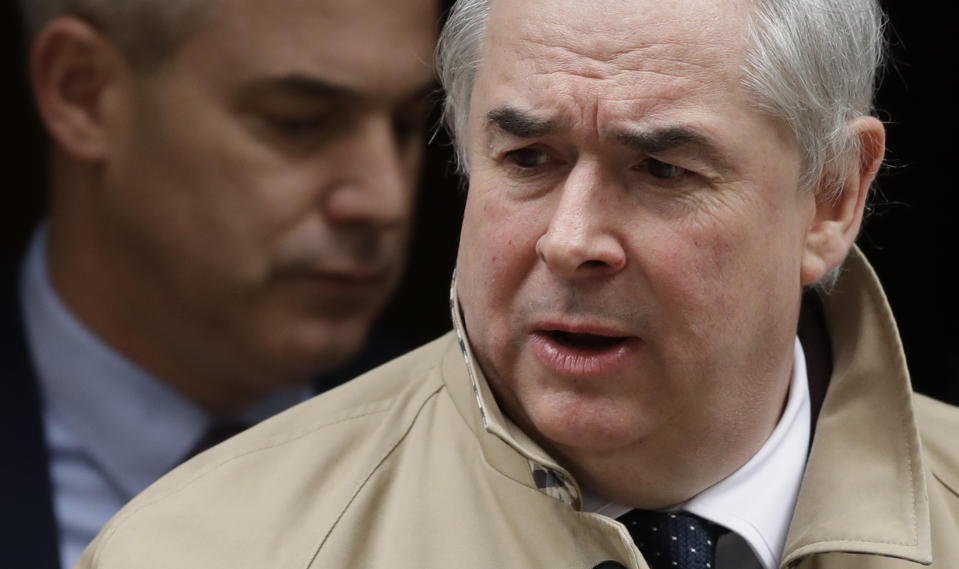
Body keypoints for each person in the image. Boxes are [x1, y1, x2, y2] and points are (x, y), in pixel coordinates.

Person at [74, 0, 959, 567]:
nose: (570, 240)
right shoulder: (206, 548)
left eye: (659, 169)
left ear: (832, 196)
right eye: (527, 158)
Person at [0, 0, 437, 567]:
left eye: (408, 125)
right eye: (299, 122)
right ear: (82, 92)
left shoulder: (491, 458)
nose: (386, 201)